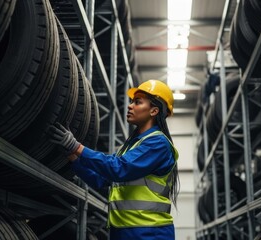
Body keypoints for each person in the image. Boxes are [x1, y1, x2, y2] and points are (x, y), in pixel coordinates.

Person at [48, 79, 180, 240]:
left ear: (154, 111)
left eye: (137, 102)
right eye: (131, 101)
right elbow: (101, 179)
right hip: (123, 231)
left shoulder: (158, 143)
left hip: (149, 233)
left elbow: (119, 168)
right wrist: (72, 157)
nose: (130, 106)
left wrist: (77, 146)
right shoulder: (131, 145)